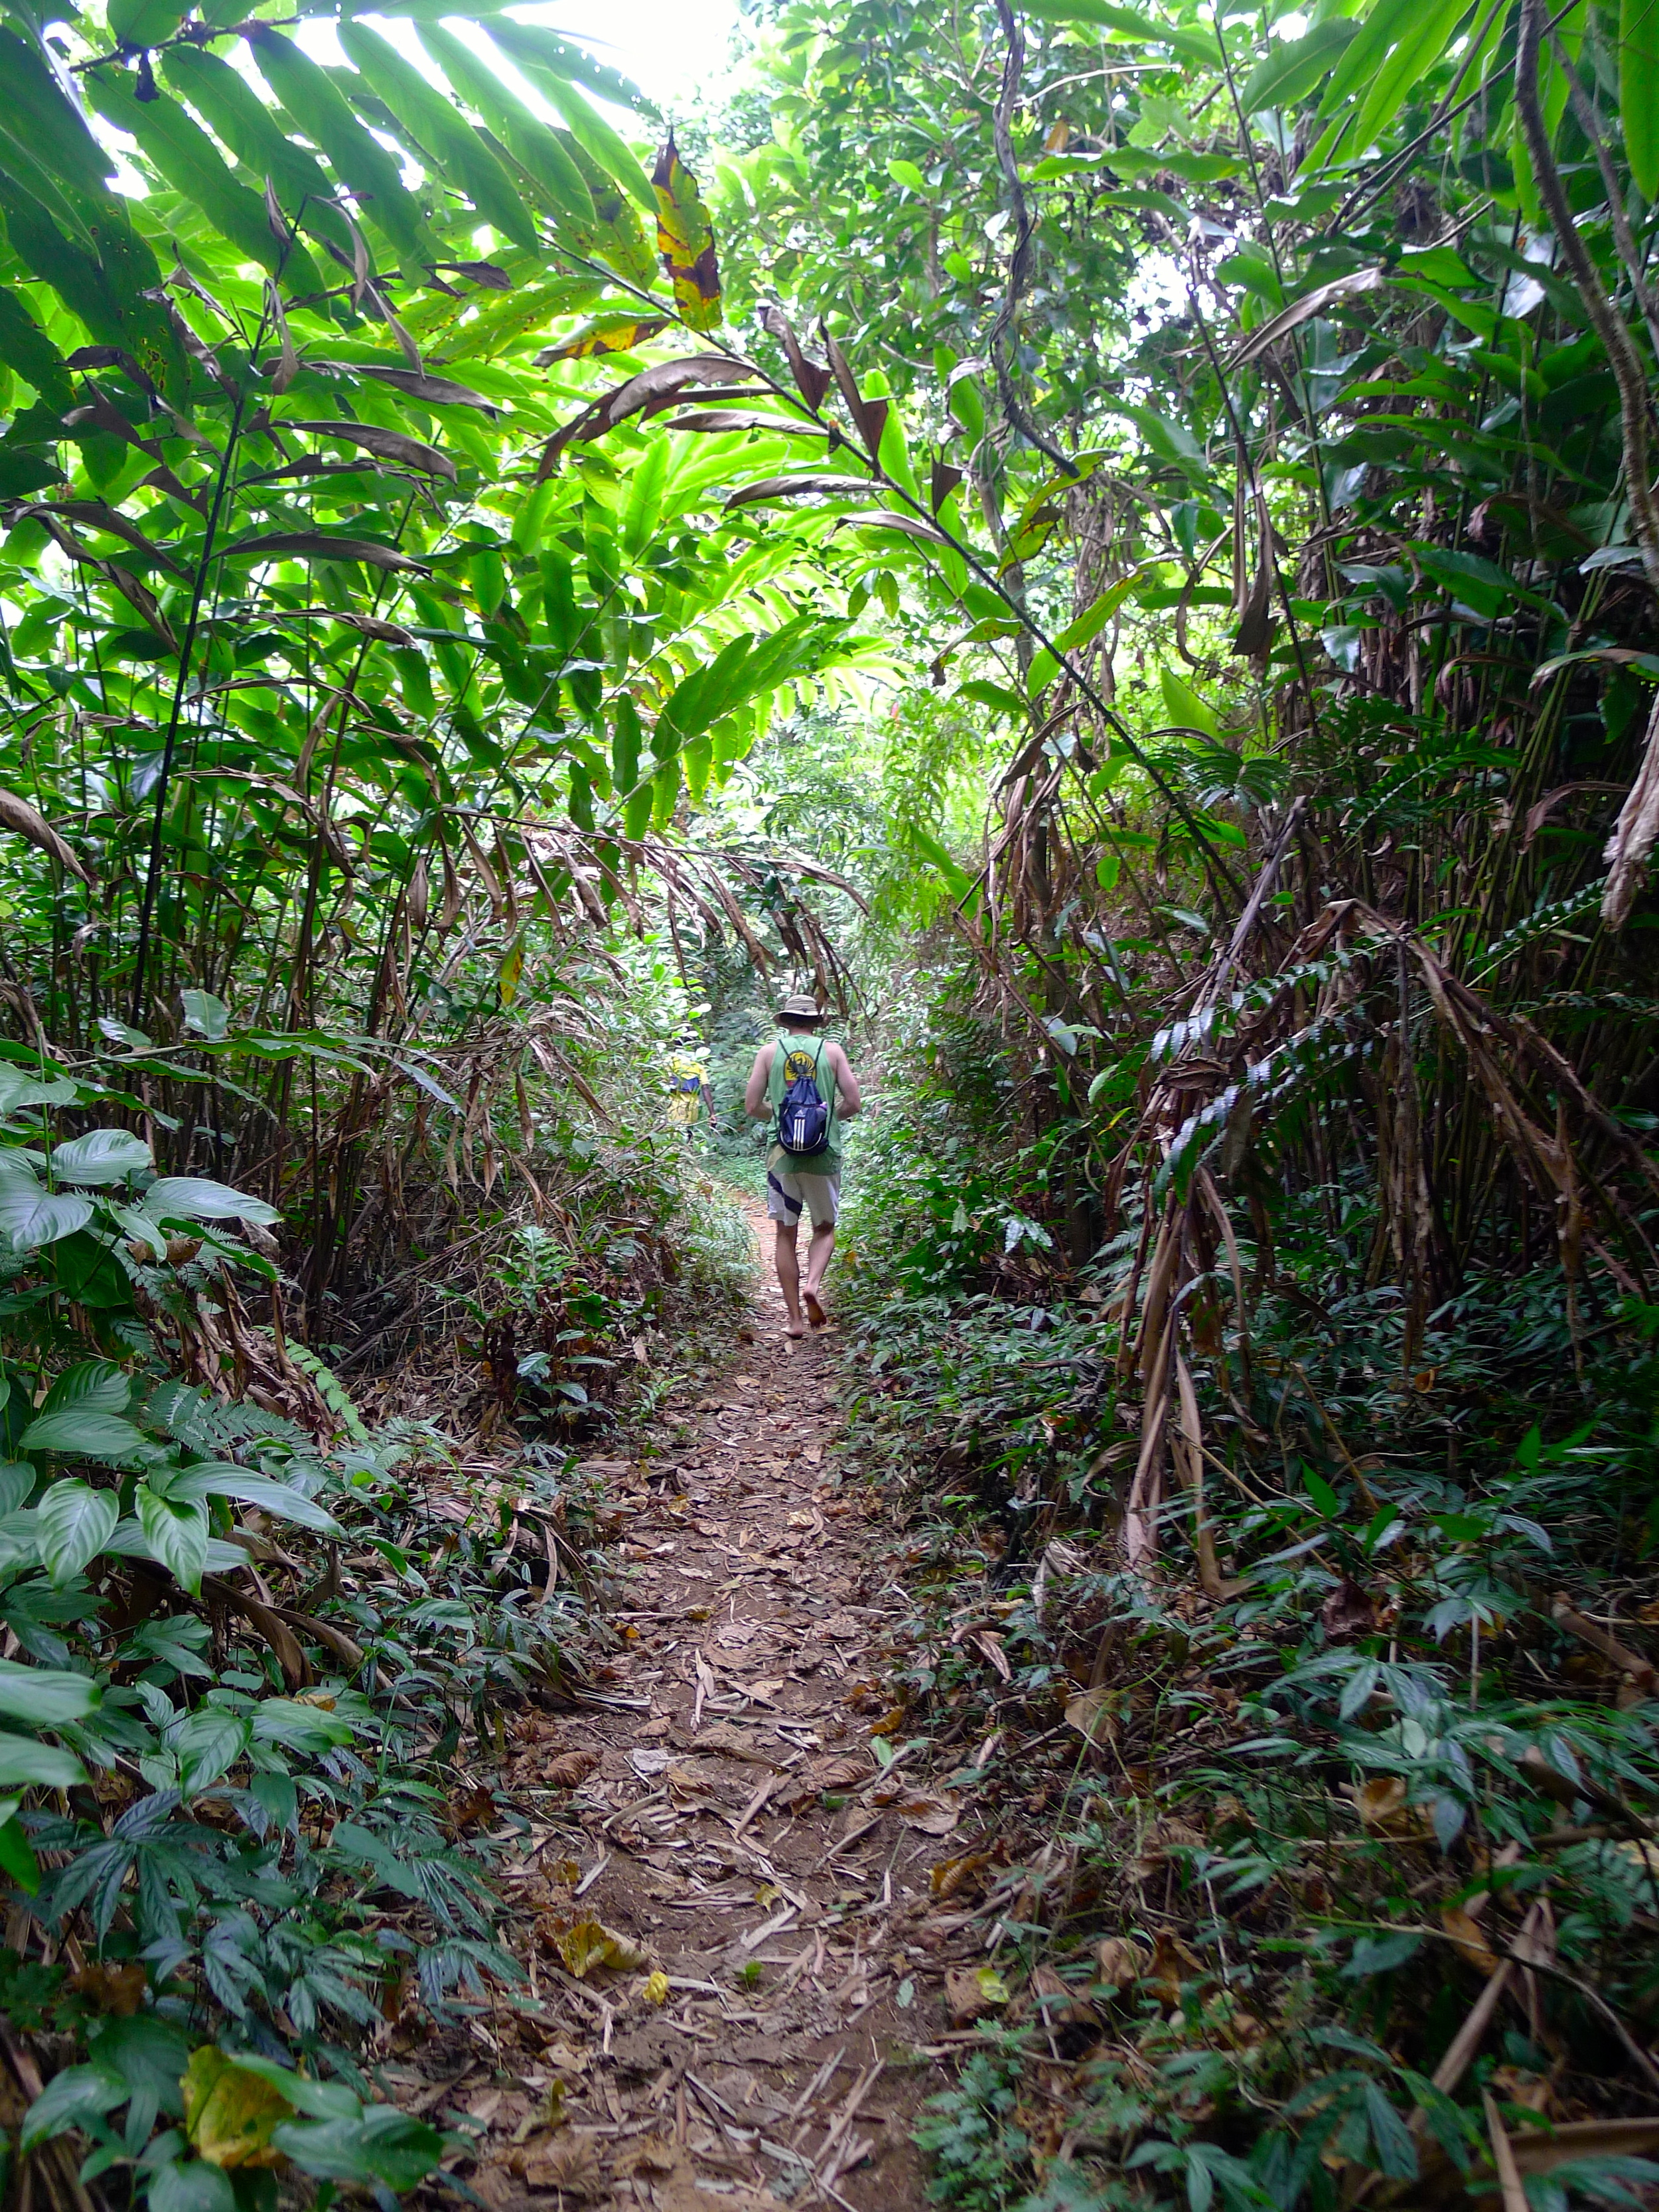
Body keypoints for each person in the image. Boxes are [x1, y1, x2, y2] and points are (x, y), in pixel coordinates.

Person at [743, 992, 862, 1338]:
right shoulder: (833, 1051)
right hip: (823, 1154)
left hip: (783, 1155)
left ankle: (794, 1320)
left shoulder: (768, 1053)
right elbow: (853, 1102)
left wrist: (778, 1118)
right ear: (815, 1022)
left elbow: (752, 1106)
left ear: (785, 1021)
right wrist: (829, 1122)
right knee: (824, 1227)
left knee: (785, 1233)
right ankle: (813, 1285)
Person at [666, 1036, 715, 1138]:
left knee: (673, 1140)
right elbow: (705, 1088)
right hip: (692, 1109)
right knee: (688, 1138)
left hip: (673, 1108)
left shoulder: (669, 1062)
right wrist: (712, 1113)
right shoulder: (697, 1065)